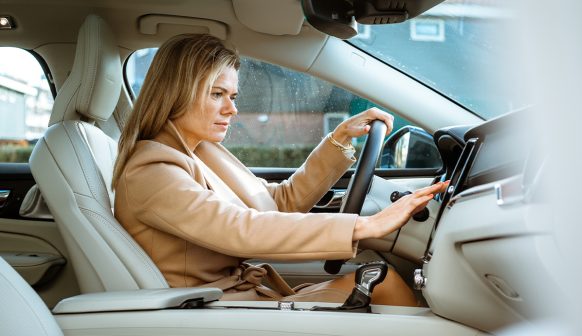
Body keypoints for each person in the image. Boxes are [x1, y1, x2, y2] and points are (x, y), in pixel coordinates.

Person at [112, 34, 447, 306]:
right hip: (215, 310)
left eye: (232, 95)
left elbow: (276, 203)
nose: (232, 108)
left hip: (240, 299)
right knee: (381, 281)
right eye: (217, 94)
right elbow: (240, 229)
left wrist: (339, 140)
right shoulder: (152, 168)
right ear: (175, 93)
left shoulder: (200, 150)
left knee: (377, 277)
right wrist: (365, 226)